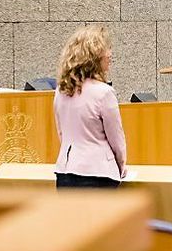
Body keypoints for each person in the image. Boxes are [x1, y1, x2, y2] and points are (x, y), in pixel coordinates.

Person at [52, 26, 126, 189]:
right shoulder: (104, 92)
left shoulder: (61, 91)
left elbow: (61, 133)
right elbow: (116, 139)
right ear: (93, 57)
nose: (110, 54)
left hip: (65, 171)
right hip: (98, 174)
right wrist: (120, 167)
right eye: (106, 49)